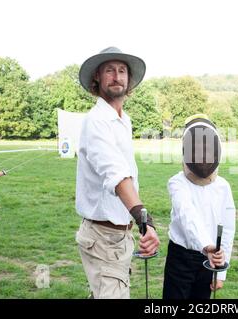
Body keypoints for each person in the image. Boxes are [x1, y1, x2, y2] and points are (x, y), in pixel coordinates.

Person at [75, 47, 160, 299]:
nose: (117, 76)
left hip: (120, 235)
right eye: (109, 70)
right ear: (97, 78)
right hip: (102, 237)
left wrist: (136, 223)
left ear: (129, 80)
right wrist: (146, 221)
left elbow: (127, 173)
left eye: (122, 71)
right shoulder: (97, 121)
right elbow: (117, 175)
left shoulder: (123, 119)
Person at [163, 114, 236, 299]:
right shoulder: (177, 183)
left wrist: (221, 272)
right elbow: (187, 215)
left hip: (210, 261)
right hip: (180, 258)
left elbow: (227, 229)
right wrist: (206, 246)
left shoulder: (223, 186)